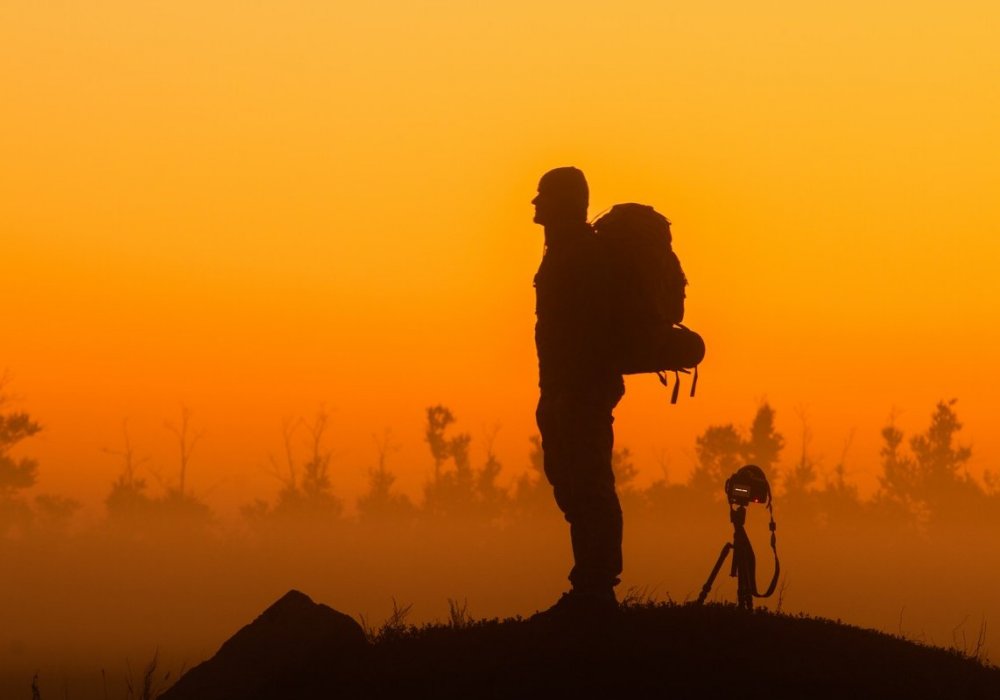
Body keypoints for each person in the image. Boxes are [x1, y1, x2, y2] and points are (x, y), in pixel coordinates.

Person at [530, 167, 626, 620]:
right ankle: (589, 584)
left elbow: (589, 332)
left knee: (588, 487)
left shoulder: (582, 257)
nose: (535, 205)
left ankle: (596, 589)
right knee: (572, 486)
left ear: (564, 203)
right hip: (563, 392)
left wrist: (570, 392)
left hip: (579, 394)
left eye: (543, 197)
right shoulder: (566, 252)